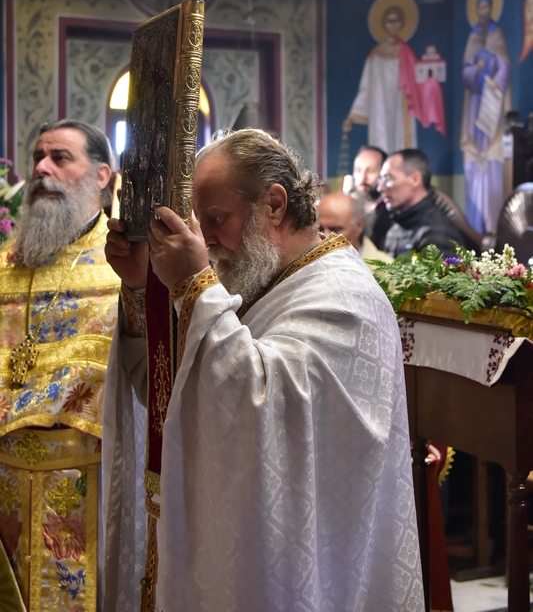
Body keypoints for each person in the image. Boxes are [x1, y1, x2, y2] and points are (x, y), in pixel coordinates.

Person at [103, 129, 423, 612]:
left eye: (216, 219)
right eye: (200, 222)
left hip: (314, 567)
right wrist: (139, 289)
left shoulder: (343, 296)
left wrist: (193, 285)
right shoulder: (263, 278)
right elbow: (180, 395)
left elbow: (254, 409)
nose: (206, 240)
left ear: (274, 205)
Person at [0, 120, 121, 610]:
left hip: (85, 475)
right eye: (38, 157)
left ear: (101, 175)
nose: (42, 169)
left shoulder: (126, 263)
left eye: (60, 157)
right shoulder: (6, 263)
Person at [343, 4, 445, 154]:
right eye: (389, 21)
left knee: (402, 144)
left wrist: (430, 85)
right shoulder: (375, 55)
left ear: (401, 24)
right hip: (380, 106)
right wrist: (352, 116)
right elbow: (366, 87)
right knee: (380, 140)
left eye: (397, 21)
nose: (393, 25)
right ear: (384, 24)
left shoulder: (406, 53)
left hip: (401, 104)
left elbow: (416, 85)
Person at [461, 0, 511, 233]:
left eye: (486, 6)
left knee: (491, 153)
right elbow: (466, 73)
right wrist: (476, 69)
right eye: (479, 7)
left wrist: (494, 81)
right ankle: (475, 224)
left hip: (493, 101)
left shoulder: (496, 33)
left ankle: (493, 223)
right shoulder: (473, 36)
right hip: (475, 103)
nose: (483, 11)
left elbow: (504, 67)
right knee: (475, 152)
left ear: (491, 8)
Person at [379, 148, 466, 258]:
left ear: (415, 180)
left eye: (388, 179)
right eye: (380, 180)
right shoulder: (396, 227)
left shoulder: (437, 232)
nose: (380, 188)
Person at [318, 191, 392, 263]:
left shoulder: (386, 269)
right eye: (319, 229)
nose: (325, 236)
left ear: (359, 226)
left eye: (334, 230)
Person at [352, 144, 393, 250]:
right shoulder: (350, 210)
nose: (363, 178)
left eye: (370, 171)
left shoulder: (392, 213)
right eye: (358, 170)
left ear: (384, 174)